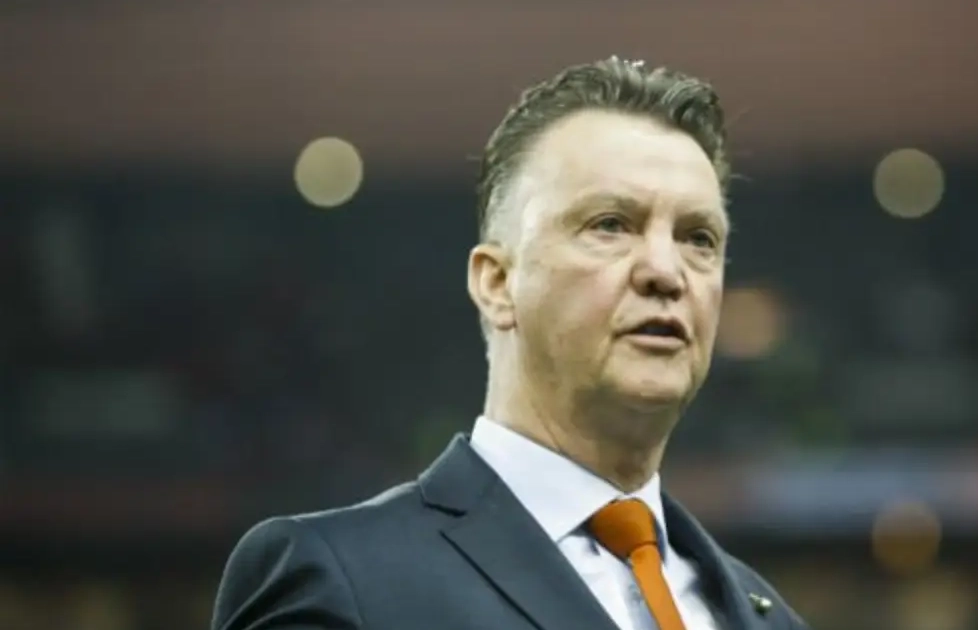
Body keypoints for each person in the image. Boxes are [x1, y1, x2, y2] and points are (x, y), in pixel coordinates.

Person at [211, 57, 809, 630]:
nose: (666, 270)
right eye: (610, 224)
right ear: (497, 284)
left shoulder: (771, 619)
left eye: (699, 238)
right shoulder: (340, 578)